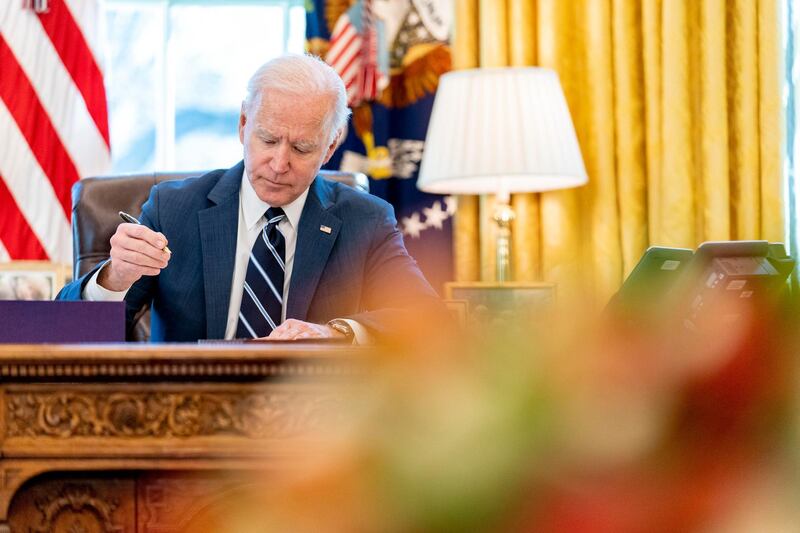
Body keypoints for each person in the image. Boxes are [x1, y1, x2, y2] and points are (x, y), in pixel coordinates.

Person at [57, 54, 440, 342]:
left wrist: (337, 334)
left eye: (303, 148)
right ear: (243, 125)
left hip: (317, 431)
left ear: (330, 146)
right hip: (187, 419)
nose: (278, 163)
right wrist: (114, 277)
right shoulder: (172, 209)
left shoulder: (365, 220)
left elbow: (429, 320)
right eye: (268, 139)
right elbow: (67, 331)